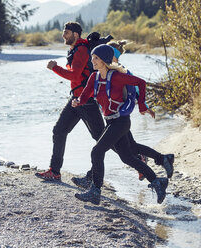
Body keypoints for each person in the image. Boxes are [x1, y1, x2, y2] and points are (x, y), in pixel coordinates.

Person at [72, 44, 169, 205]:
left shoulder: (117, 77)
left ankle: (95, 191)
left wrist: (143, 106)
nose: (92, 61)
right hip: (110, 121)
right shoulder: (94, 78)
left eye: (96, 58)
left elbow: (141, 83)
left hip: (121, 122)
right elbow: (85, 96)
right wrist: (78, 102)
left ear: (104, 60)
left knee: (97, 152)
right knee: (127, 158)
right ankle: (158, 181)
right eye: (92, 58)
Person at [35, 22, 105, 180]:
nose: (63, 35)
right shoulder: (75, 49)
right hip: (76, 99)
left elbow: (74, 75)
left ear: (75, 35)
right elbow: (76, 75)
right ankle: (55, 171)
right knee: (59, 131)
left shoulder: (80, 50)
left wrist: (55, 68)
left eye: (66, 32)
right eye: (63, 32)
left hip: (86, 101)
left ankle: (137, 158)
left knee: (102, 138)